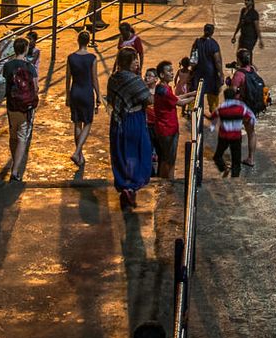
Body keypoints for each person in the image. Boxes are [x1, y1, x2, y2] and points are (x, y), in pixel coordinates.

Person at [106, 47, 154, 209]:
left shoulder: (113, 79)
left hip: (118, 121)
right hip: (134, 121)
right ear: (128, 62)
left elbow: (112, 100)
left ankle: (124, 187)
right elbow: (148, 100)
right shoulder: (135, 80)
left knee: (121, 154)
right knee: (138, 154)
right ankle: (131, 187)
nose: (137, 63)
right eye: (134, 60)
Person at [2, 35, 39, 181]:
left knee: (13, 135)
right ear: (26, 48)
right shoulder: (30, 67)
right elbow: (35, 88)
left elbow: (7, 82)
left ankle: (14, 160)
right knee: (23, 137)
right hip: (26, 107)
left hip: (11, 105)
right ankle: (15, 170)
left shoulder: (8, 66)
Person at [151, 59, 196, 180]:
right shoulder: (164, 90)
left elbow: (175, 98)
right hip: (167, 129)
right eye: (169, 71)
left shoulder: (163, 88)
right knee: (169, 160)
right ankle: (168, 182)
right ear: (161, 74)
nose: (172, 73)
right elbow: (180, 102)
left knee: (165, 158)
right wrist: (194, 98)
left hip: (164, 127)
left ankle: (163, 179)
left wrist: (190, 94)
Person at [65, 28, 101, 169]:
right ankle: (77, 151)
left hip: (75, 91)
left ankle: (80, 155)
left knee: (77, 123)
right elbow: (94, 79)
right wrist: (98, 95)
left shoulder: (71, 57)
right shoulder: (92, 58)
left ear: (78, 41)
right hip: (86, 92)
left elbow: (68, 78)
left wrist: (67, 96)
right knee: (88, 122)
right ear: (88, 42)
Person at [209, 80, 257, 177]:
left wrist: (212, 127)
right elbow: (250, 117)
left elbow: (213, 118)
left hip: (224, 136)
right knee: (236, 159)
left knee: (217, 156)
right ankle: (235, 177)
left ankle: (223, 168)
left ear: (225, 97)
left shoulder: (221, 108)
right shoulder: (241, 107)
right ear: (235, 96)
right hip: (236, 136)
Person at [189, 23, 224, 112]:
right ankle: (213, 110)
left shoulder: (197, 42)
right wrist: (220, 73)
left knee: (197, 92)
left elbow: (193, 57)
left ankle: (192, 110)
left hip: (198, 72)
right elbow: (217, 61)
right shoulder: (213, 44)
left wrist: (192, 70)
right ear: (212, 32)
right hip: (211, 73)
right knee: (212, 92)